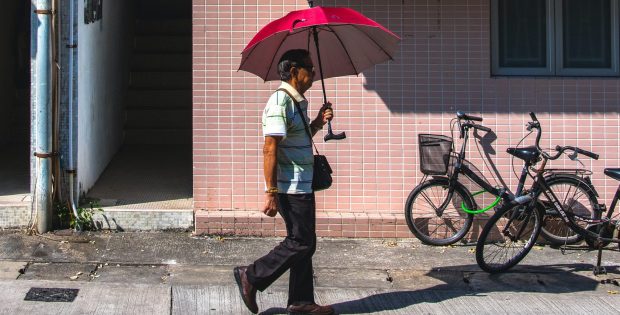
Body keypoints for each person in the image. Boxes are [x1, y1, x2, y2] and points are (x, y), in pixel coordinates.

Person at [233, 49, 335, 315]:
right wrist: (271, 192)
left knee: (305, 242)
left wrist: (317, 123)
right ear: (294, 71)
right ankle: (252, 275)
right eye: (309, 68)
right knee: (301, 242)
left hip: (303, 182)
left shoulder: (296, 101)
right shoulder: (280, 102)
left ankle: (301, 303)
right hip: (289, 186)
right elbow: (270, 148)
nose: (313, 73)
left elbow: (297, 138)